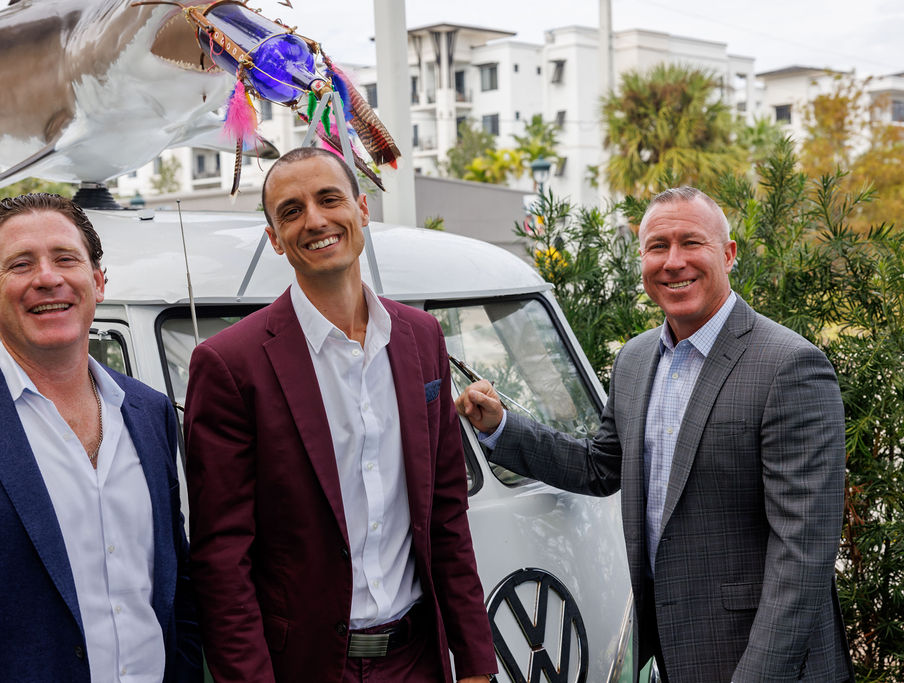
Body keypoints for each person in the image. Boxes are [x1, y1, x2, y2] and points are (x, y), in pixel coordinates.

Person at [456, 187, 853, 682]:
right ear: (641, 259)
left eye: (692, 243)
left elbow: (804, 551)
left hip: (766, 659)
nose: (673, 262)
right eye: (657, 246)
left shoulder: (789, 367)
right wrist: (500, 428)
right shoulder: (637, 359)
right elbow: (599, 466)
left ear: (728, 254)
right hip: (674, 649)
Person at [184, 147, 498, 683]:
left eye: (330, 199)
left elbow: (446, 514)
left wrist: (474, 664)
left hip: (419, 659)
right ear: (275, 240)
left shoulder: (420, 339)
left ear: (362, 209)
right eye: (291, 211)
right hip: (305, 667)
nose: (315, 220)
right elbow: (223, 560)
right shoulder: (230, 365)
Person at [0, 194, 201, 682]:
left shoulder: (149, 412)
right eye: (20, 264)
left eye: (66, 258)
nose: (47, 278)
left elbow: (174, 588)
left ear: (98, 282)